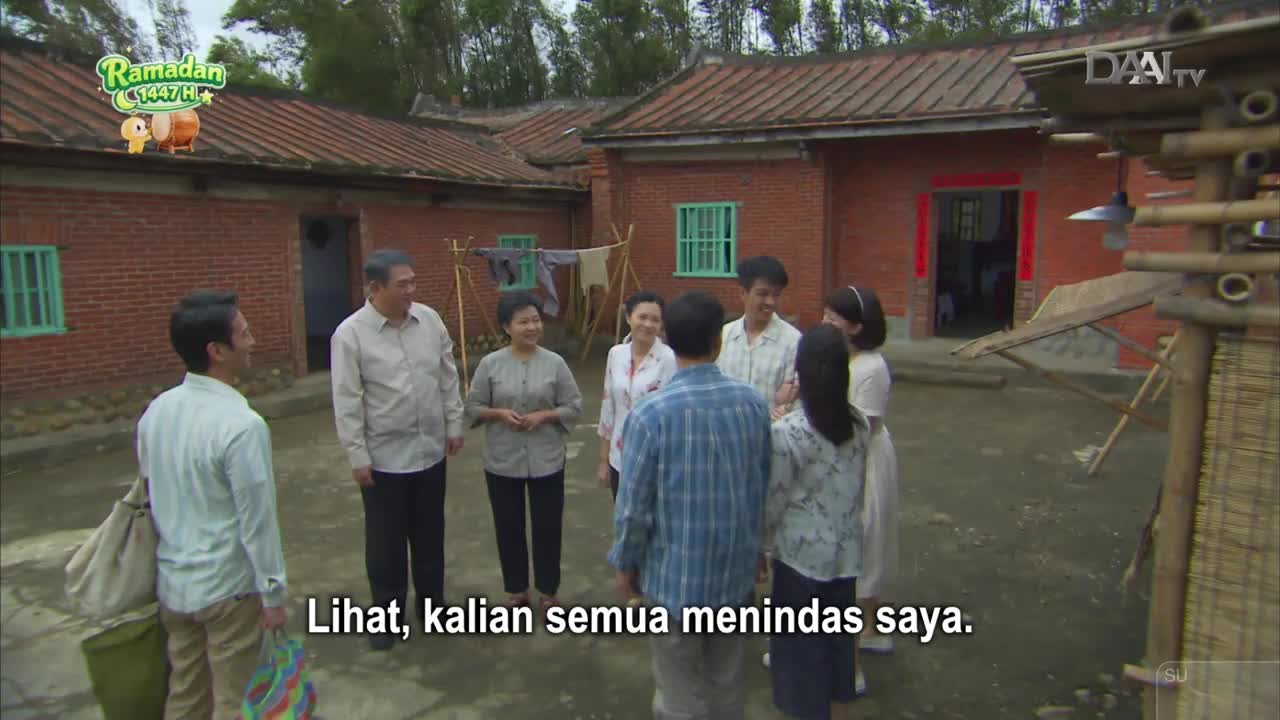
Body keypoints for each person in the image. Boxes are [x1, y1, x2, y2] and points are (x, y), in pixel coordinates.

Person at [609, 290, 773, 720]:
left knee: (679, 690)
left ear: (668, 338)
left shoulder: (650, 414)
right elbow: (760, 485)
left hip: (674, 582)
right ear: (718, 341)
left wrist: (625, 564)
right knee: (727, 682)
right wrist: (758, 548)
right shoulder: (752, 404)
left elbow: (633, 507)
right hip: (733, 575)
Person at [139, 291, 288, 720]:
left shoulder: (157, 412)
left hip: (175, 586)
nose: (253, 341)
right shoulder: (242, 426)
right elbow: (257, 520)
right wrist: (273, 593)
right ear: (217, 351)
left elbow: (153, 493)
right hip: (228, 589)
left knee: (186, 694)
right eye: (244, 334)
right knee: (236, 699)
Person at [331, 249, 465, 651]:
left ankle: (434, 607)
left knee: (430, 534)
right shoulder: (350, 334)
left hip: (430, 450)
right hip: (384, 458)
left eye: (413, 282)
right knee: (386, 542)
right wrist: (357, 455)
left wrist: (453, 422)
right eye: (401, 284)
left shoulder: (429, 320)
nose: (411, 290)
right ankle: (386, 617)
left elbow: (447, 374)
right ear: (375, 289)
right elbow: (347, 399)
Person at [761, 324, 870, 720]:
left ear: (801, 372)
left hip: (800, 563)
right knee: (838, 656)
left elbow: (772, 500)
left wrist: (760, 546)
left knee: (801, 666)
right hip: (845, 557)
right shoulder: (858, 424)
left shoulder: (787, 432)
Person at [465, 291, 583, 612]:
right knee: (508, 525)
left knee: (547, 527)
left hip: (547, 458)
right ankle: (517, 591)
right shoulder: (490, 365)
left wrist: (545, 416)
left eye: (535, 320)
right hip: (502, 460)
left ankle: (548, 591)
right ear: (507, 327)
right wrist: (499, 414)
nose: (532, 327)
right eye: (523, 322)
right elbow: (472, 407)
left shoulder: (555, 363)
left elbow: (574, 405)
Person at [822, 284, 899, 693]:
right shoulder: (843, 356)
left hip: (863, 457)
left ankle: (861, 632)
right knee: (862, 540)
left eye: (834, 317)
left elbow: (861, 427)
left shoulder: (870, 367)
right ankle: (869, 626)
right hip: (846, 454)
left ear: (855, 326)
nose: (825, 321)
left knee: (865, 537)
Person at [597, 290, 677, 502]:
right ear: (628, 317)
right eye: (642, 317)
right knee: (623, 520)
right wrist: (603, 459)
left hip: (654, 460)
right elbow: (608, 408)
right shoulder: (616, 354)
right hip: (618, 457)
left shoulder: (670, 360)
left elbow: (673, 415)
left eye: (655, 320)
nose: (648, 324)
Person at [716, 256, 802, 419]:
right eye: (762, 294)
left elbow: (796, 402)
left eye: (776, 295)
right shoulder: (724, 336)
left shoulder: (793, 342)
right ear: (743, 292)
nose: (770, 302)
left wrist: (786, 411)